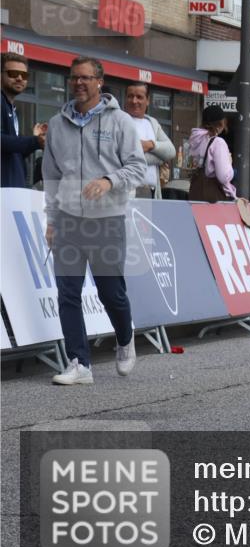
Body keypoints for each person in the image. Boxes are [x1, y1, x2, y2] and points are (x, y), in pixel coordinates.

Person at [42, 56, 145, 385]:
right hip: (70, 220)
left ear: (100, 82)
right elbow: (52, 177)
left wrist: (108, 181)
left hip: (107, 219)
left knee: (110, 292)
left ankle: (125, 340)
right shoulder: (57, 124)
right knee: (67, 292)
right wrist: (52, 220)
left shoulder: (121, 122)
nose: (79, 83)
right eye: (74, 78)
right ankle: (79, 363)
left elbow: (137, 167)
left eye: (85, 78)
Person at [1, 52, 46, 187]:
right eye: (13, 73)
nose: (20, 78)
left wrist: (34, 141)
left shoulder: (11, 107)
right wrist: (35, 141)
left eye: (24, 75)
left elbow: (13, 154)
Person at [124, 82, 175, 199]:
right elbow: (125, 158)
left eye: (139, 97)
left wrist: (151, 145)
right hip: (128, 192)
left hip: (151, 192)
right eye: (130, 96)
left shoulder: (152, 123)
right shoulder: (119, 122)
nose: (134, 101)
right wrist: (160, 159)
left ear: (148, 100)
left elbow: (171, 151)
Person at [187, 105, 236, 202]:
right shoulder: (218, 142)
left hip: (196, 193)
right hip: (213, 198)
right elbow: (223, 177)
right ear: (221, 123)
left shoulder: (194, 139)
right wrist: (229, 163)